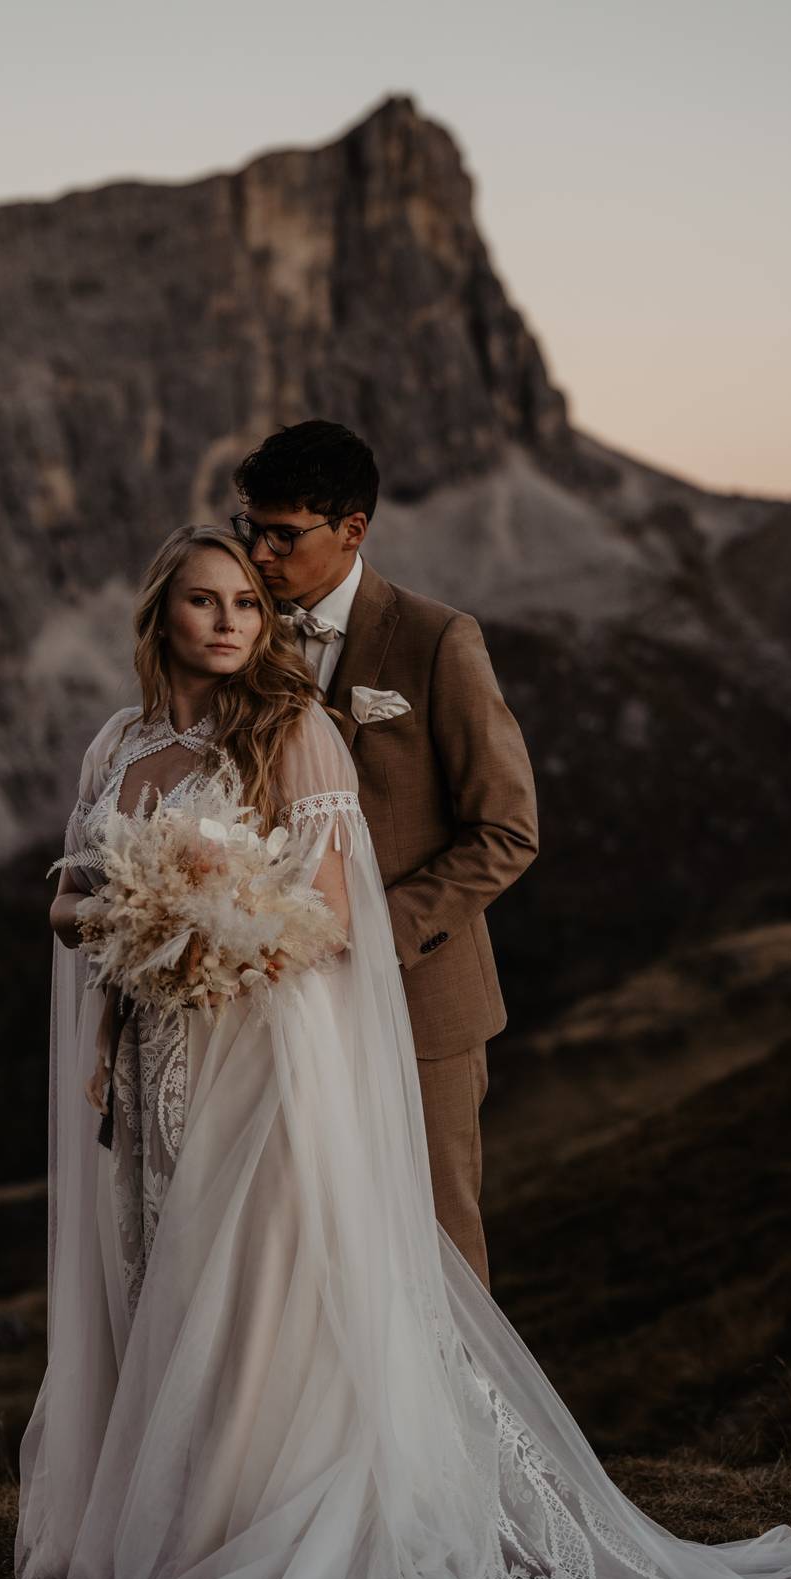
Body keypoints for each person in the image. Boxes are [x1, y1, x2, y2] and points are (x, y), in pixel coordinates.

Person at [0, 524, 791, 1579]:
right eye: (201, 602)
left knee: (252, 1297)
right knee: (147, 1278)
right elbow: (70, 884)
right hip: (146, 1066)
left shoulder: (291, 734)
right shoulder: (116, 744)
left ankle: (230, 1529)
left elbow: (328, 922)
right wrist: (105, 916)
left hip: (257, 1069)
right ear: (158, 615)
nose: (228, 621)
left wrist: (205, 931)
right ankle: (155, 1523)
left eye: (244, 603)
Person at [231, 419, 538, 1290]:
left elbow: (508, 831)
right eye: (252, 528)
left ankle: (458, 1427)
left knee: (438, 1243)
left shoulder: (440, 641)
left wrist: (370, 928)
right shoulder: (246, 637)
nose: (259, 552)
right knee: (309, 1246)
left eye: (283, 534)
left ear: (353, 530)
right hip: (283, 1011)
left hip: (421, 1004)